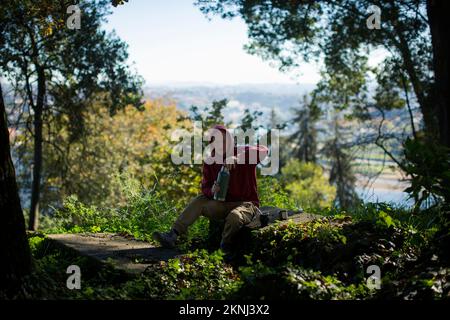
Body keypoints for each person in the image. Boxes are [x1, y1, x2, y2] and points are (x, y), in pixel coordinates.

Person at [152, 124, 268, 255]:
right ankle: (173, 235)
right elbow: (205, 187)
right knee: (200, 200)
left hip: (246, 205)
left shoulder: (241, 152)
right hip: (221, 205)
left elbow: (264, 150)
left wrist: (237, 158)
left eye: (224, 140)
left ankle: (224, 248)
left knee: (235, 217)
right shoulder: (210, 161)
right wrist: (211, 190)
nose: (221, 144)